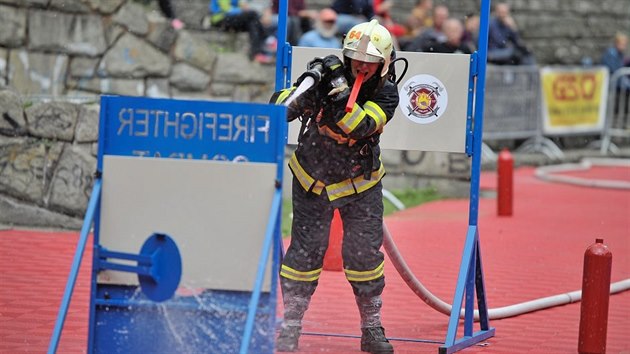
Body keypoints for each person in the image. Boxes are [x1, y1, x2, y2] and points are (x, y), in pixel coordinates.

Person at [270, 19, 399, 354]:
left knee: (363, 255)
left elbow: (358, 126)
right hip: (312, 178)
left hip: (361, 184)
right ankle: (291, 327)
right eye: (354, 58)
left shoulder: (387, 91)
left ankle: (372, 330)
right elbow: (276, 110)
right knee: (304, 253)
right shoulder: (326, 77)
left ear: (384, 62)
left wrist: (338, 93)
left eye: (369, 61)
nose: (361, 66)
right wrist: (306, 88)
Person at [209, 0, 273, 64]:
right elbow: (227, 9)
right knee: (252, 14)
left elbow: (241, 5)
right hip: (220, 19)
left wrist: (243, 10)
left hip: (234, 19)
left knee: (253, 23)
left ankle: (255, 54)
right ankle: (267, 39)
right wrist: (242, 10)